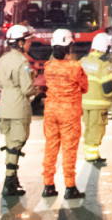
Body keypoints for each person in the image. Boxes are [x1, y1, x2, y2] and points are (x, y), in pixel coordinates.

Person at [40, 28, 89, 199]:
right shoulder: (75, 67)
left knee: (50, 147)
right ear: (69, 47)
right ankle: (70, 187)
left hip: (51, 111)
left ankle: (48, 185)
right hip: (69, 112)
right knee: (69, 149)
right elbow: (85, 87)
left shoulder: (48, 67)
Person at [0, 24, 38, 197]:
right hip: (18, 106)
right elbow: (27, 88)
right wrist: (38, 89)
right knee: (17, 143)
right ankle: (9, 182)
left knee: (10, 143)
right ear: (20, 43)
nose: (29, 44)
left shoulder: (2, 59)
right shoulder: (23, 62)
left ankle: (12, 179)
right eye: (28, 41)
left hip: (5, 105)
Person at [79, 32, 112, 167]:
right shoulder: (104, 63)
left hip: (84, 102)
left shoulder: (83, 60)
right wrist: (111, 97)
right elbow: (108, 87)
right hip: (98, 103)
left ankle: (91, 153)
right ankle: (92, 155)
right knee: (97, 129)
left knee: (89, 127)